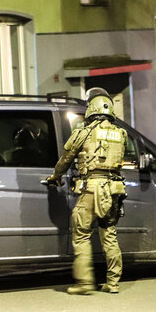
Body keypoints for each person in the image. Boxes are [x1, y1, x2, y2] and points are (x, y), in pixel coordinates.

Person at [45, 88, 128, 295]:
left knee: (81, 235)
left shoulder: (84, 132)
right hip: (114, 190)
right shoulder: (121, 134)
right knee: (109, 235)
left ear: (91, 109)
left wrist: (55, 177)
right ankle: (113, 282)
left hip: (91, 189)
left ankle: (85, 283)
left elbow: (65, 160)